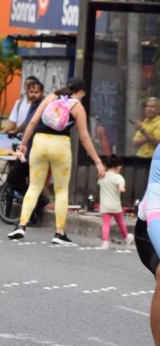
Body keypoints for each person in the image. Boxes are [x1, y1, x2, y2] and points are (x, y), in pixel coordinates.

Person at [8, 76, 106, 245]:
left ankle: (21, 225)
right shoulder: (77, 106)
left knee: (34, 186)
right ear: (81, 91)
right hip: (60, 146)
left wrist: (23, 143)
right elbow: (84, 137)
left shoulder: (51, 97)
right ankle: (59, 233)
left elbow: (32, 122)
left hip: (39, 143)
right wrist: (97, 161)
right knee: (61, 191)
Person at [4, 77, 45, 197]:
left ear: (42, 92)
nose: (33, 95)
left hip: (33, 148)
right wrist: (14, 131)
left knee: (13, 177)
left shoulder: (42, 105)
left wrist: (24, 142)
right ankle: (34, 201)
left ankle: (37, 199)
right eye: (31, 92)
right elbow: (26, 123)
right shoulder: (31, 105)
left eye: (36, 92)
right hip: (26, 147)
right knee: (20, 177)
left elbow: (32, 124)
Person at [97, 154, 133, 249]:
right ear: (118, 166)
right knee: (120, 222)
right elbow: (120, 185)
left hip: (104, 205)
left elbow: (99, 183)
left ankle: (105, 242)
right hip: (115, 205)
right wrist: (122, 188)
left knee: (106, 224)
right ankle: (126, 237)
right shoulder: (118, 177)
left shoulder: (102, 176)